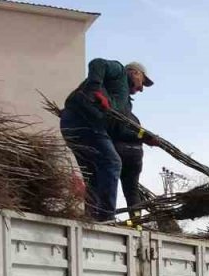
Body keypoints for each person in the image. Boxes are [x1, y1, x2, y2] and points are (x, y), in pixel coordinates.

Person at [60, 59, 153, 221]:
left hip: (82, 126)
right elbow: (97, 63)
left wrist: (143, 136)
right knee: (112, 163)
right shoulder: (119, 72)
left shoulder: (125, 106)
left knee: (93, 173)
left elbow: (121, 129)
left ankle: (92, 216)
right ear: (135, 72)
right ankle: (106, 216)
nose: (141, 89)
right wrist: (95, 89)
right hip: (83, 120)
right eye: (142, 83)